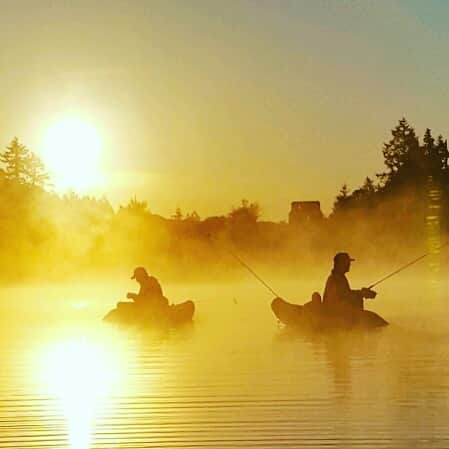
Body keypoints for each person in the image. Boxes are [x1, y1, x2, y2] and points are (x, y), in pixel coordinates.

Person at [323, 252, 376, 318]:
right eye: (347, 262)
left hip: (339, 311)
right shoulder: (335, 278)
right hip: (336, 314)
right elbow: (344, 296)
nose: (349, 264)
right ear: (340, 264)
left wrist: (361, 293)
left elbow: (346, 293)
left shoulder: (340, 277)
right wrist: (361, 293)